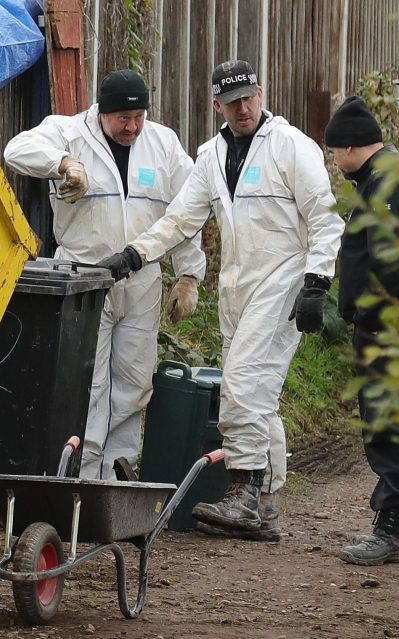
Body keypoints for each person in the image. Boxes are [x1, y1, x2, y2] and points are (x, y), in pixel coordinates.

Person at [97, 60, 345, 541]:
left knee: (243, 386)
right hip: (237, 287)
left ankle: (243, 493)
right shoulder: (210, 155)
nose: (244, 107)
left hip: (283, 281)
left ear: (261, 93)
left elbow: (325, 217)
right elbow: (180, 218)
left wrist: (318, 280)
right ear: (218, 105)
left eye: (249, 97)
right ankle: (268, 504)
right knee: (259, 395)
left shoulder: (293, 147)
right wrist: (135, 254)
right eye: (233, 102)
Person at [3, 69, 206, 480]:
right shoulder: (70, 132)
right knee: (89, 384)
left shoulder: (163, 144)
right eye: (122, 119)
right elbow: (15, 149)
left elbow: (186, 210)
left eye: (139, 117)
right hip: (85, 280)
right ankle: (81, 474)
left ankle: (116, 475)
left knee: (134, 380)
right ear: (103, 113)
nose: (132, 126)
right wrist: (63, 164)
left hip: (141, 281)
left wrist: (188, 274)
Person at [325, 95, 399, 566]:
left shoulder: (386, 184)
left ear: (352, 147)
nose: (334, 161)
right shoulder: (387, 178)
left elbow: (389, 260)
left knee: (388, 423)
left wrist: (371, 314)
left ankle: (391, 526)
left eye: (335, 152)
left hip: (390, 327)